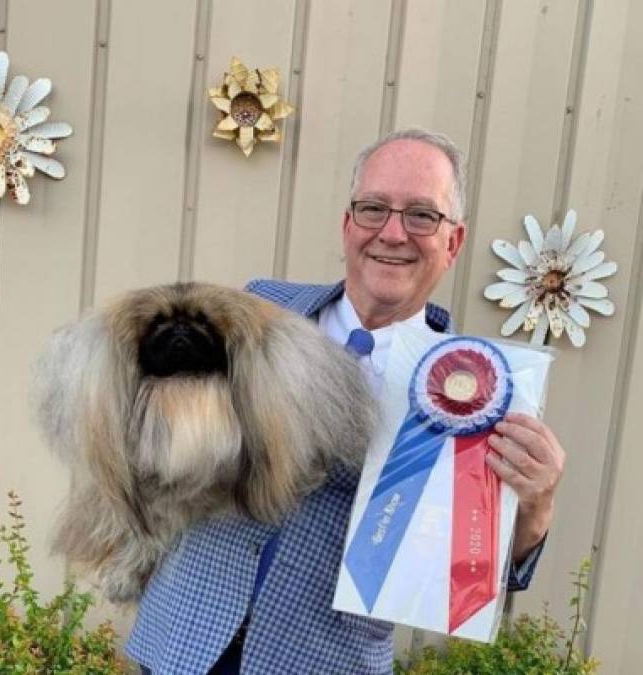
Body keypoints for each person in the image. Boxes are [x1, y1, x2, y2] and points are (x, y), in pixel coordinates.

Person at [126, 128, 565, 674]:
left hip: (325, 659)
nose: (393, 232)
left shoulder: (477, 393)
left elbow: (477, 566)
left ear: (453, 243)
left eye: (422, 215)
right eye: (374, 208)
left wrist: (536, 504)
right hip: (186, 638)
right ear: (348, 224)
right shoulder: (257, 309)